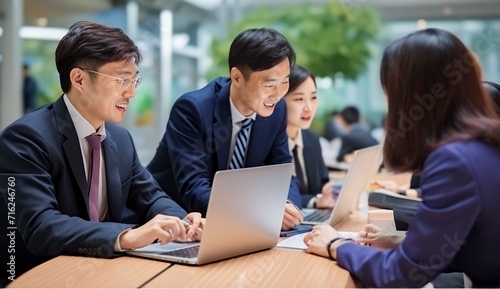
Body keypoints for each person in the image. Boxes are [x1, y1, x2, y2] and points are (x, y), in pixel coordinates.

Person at [0, 21, 202, 286]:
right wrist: (126, 236)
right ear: (79, 79)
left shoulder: (120, 139)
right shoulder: (25, 138)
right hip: (40, 277)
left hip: (105, 272)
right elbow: (40, 226)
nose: (130, 92)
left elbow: (151, 198)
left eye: (134, 80)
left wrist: (184, 223)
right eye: (121, 80)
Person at [303, 28, 500, 287]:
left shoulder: (454, 160)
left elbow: (401, 276)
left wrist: (335, 244)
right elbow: (473, 242)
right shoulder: (483, 143)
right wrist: (403, 243)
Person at [147, 28, 303, 230]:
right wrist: (261, 212)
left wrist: (287, 206)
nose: (278, 94)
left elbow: (283, 172)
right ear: (237, 78)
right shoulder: (193, 109)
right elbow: (194, 188)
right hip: (175, 224)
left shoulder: (277, 110)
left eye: (285, 82)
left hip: (234, 226)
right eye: (269, 84)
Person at [284, 65, 335, 209]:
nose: (309, 107)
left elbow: (323, 182)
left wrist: (327, 191)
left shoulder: (311, 138)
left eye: (313, 97)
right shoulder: (266, 145)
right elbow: (276, 197)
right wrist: (314, 201)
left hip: (315, 221)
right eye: (299, 99)